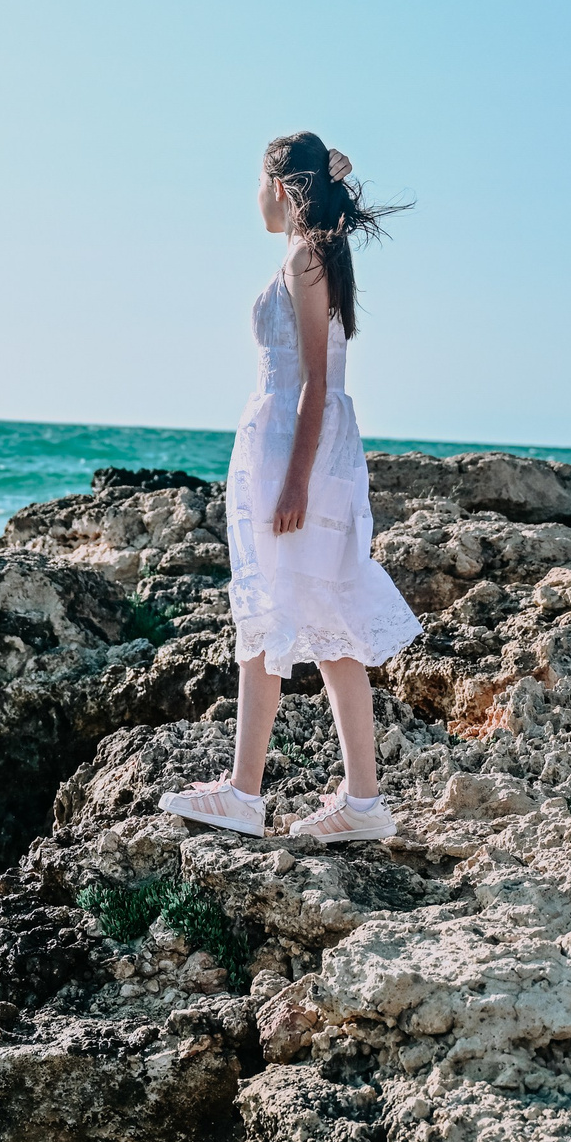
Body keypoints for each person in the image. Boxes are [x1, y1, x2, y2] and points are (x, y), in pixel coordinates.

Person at [160, 132, 421, 843]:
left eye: (258, 181)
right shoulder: (315, 250)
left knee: (273, 614)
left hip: (297, 454)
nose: (253, 196)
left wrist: (295, 482)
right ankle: (362, 804)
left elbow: (314, 384)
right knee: (322, 623)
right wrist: (336, 172)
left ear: (279, 188)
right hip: (295, 450)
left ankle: (246, 793)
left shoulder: (307, 258)